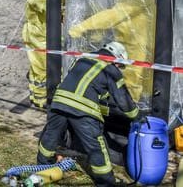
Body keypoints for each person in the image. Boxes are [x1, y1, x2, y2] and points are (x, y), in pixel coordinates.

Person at [37, 41, 138, 187]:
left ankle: (42, 167)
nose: (119, 69)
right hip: (82, 111)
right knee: (96, 147)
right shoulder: (111, 69)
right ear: (117, 58)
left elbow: (81, 84)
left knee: (50, 136)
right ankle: (106, 183)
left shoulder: (83, 59)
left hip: (59, 102)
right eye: (120, 65)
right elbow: (124, 100)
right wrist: (136, 115)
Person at [69, 0, 157, 103]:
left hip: (134, 46)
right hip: (144, 44)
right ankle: (145, 103)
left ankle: (130, 109)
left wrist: (82, 27)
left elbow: (112, 16)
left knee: (130, 78)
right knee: (145, 78)